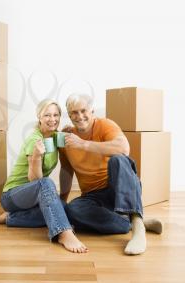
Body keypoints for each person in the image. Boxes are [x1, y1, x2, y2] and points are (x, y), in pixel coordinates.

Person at [59, 93, 163, 255]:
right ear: (68, 114)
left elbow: (124, 148)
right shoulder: (66, 138)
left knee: (119, 160)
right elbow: (66, 171)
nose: (79, 116)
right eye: (74, 112)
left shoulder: (105, 124)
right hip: (92, 196)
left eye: (83, 110)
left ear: (92, 110)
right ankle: (133, 223)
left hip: (118, 188)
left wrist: (83, 144)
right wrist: (62, 202)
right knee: (73, 210)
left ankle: (136, 224)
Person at [0, 99, 88, 253]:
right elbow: (37, 181)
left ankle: (9, 218)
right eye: (47, 115)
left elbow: (71, 150)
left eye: (56, 115)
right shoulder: (34, 140)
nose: (52, 119)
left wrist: (73, 131)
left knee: (64, 208)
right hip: (13, 195)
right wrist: (37, 157)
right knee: (46, 184)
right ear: (39, 116)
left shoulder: (55, 138)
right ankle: (63, 233)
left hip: (33, 197)